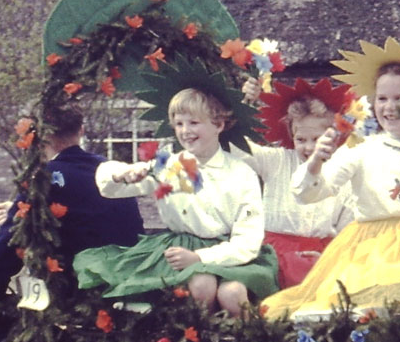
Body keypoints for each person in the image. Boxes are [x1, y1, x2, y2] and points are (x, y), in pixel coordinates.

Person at [261, 38, 400, 318]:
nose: (389, 108)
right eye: (382, 98)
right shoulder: (361, 147)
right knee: (375, 301)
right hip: (372, 249)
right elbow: (310, 193)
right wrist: (315, 163)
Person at [0, 97, 144, 342]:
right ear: (82, 129)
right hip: (126, 286)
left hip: (72, 299)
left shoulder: (42, 180)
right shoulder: (111, 171)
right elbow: (92, 222)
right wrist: (18, 214)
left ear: (37, 136)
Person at [74, 86, 279, 315]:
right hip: (180, 249)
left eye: (193, 123)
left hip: (231, 255)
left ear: (219, 125)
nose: (185, 131)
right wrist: (121, 174)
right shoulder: (171, 165)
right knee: (202, 284)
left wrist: (199, 257)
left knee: (232, 293)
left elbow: (247, 240)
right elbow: (112, 188)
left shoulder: (241, 173)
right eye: (179, 124)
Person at [239, 77, 356, 288]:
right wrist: (245, 103)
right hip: (273, 255)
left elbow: (348, 227)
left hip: (321, 255)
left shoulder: (342, 170)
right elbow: (236, 148)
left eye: (317, 139)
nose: (309, 148)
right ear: (291, 134)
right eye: (301, 139)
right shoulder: (276, 160)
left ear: (333, 136)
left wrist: (331, 258)